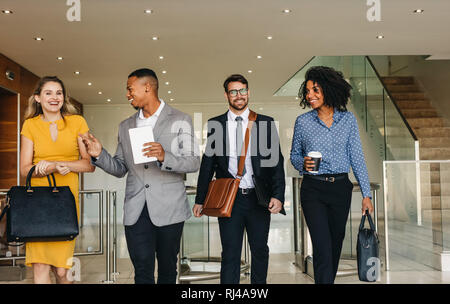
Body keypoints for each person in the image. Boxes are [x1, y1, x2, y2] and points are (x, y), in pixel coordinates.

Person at [80, 68, 200, 284]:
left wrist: (165, 156)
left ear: (147, 87)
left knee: (167, 269)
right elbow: (119, 168)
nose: (127, 94)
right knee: (142, 270)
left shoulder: (180, 119)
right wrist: (99, 154)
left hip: (169, 209)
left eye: (130, 89)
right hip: (136, 210)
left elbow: (193, 162)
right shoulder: (125, 126)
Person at [193, 74, 286, 284]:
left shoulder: (264, 123)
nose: (239, 95)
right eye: (233, 91)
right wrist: (200, 199)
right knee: (231, 254)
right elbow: (207, 164)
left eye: (242, 90)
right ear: (226, 95)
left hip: (258, 199)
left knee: (260, 251)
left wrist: (278, 196)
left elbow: (276, 164)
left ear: (248, 92)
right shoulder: (216, 124)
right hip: (230, 199)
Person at [290, 66, 374, 284]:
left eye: (315, 90)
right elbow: (294, 155)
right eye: (307, 91)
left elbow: (357, 158)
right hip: (313, 190)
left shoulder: (348, 120)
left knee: (336, 242)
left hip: (340, 188)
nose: (310, 95)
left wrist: (367, 195)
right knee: (322, 246)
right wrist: (303, 163)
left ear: (329, 89)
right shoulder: (303, 122)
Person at [20, 76, 95, 284]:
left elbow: (88, 164)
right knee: (41, 267)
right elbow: (24, 169)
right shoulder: (30, 126)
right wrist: (48, 168)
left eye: (59, 93)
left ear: (64, 97)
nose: (55, 97)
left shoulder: (77, 122)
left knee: (63, 271)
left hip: (66, 204)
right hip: (36, 204)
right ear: (37, 98)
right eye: (48, 93)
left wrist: (62, 165)